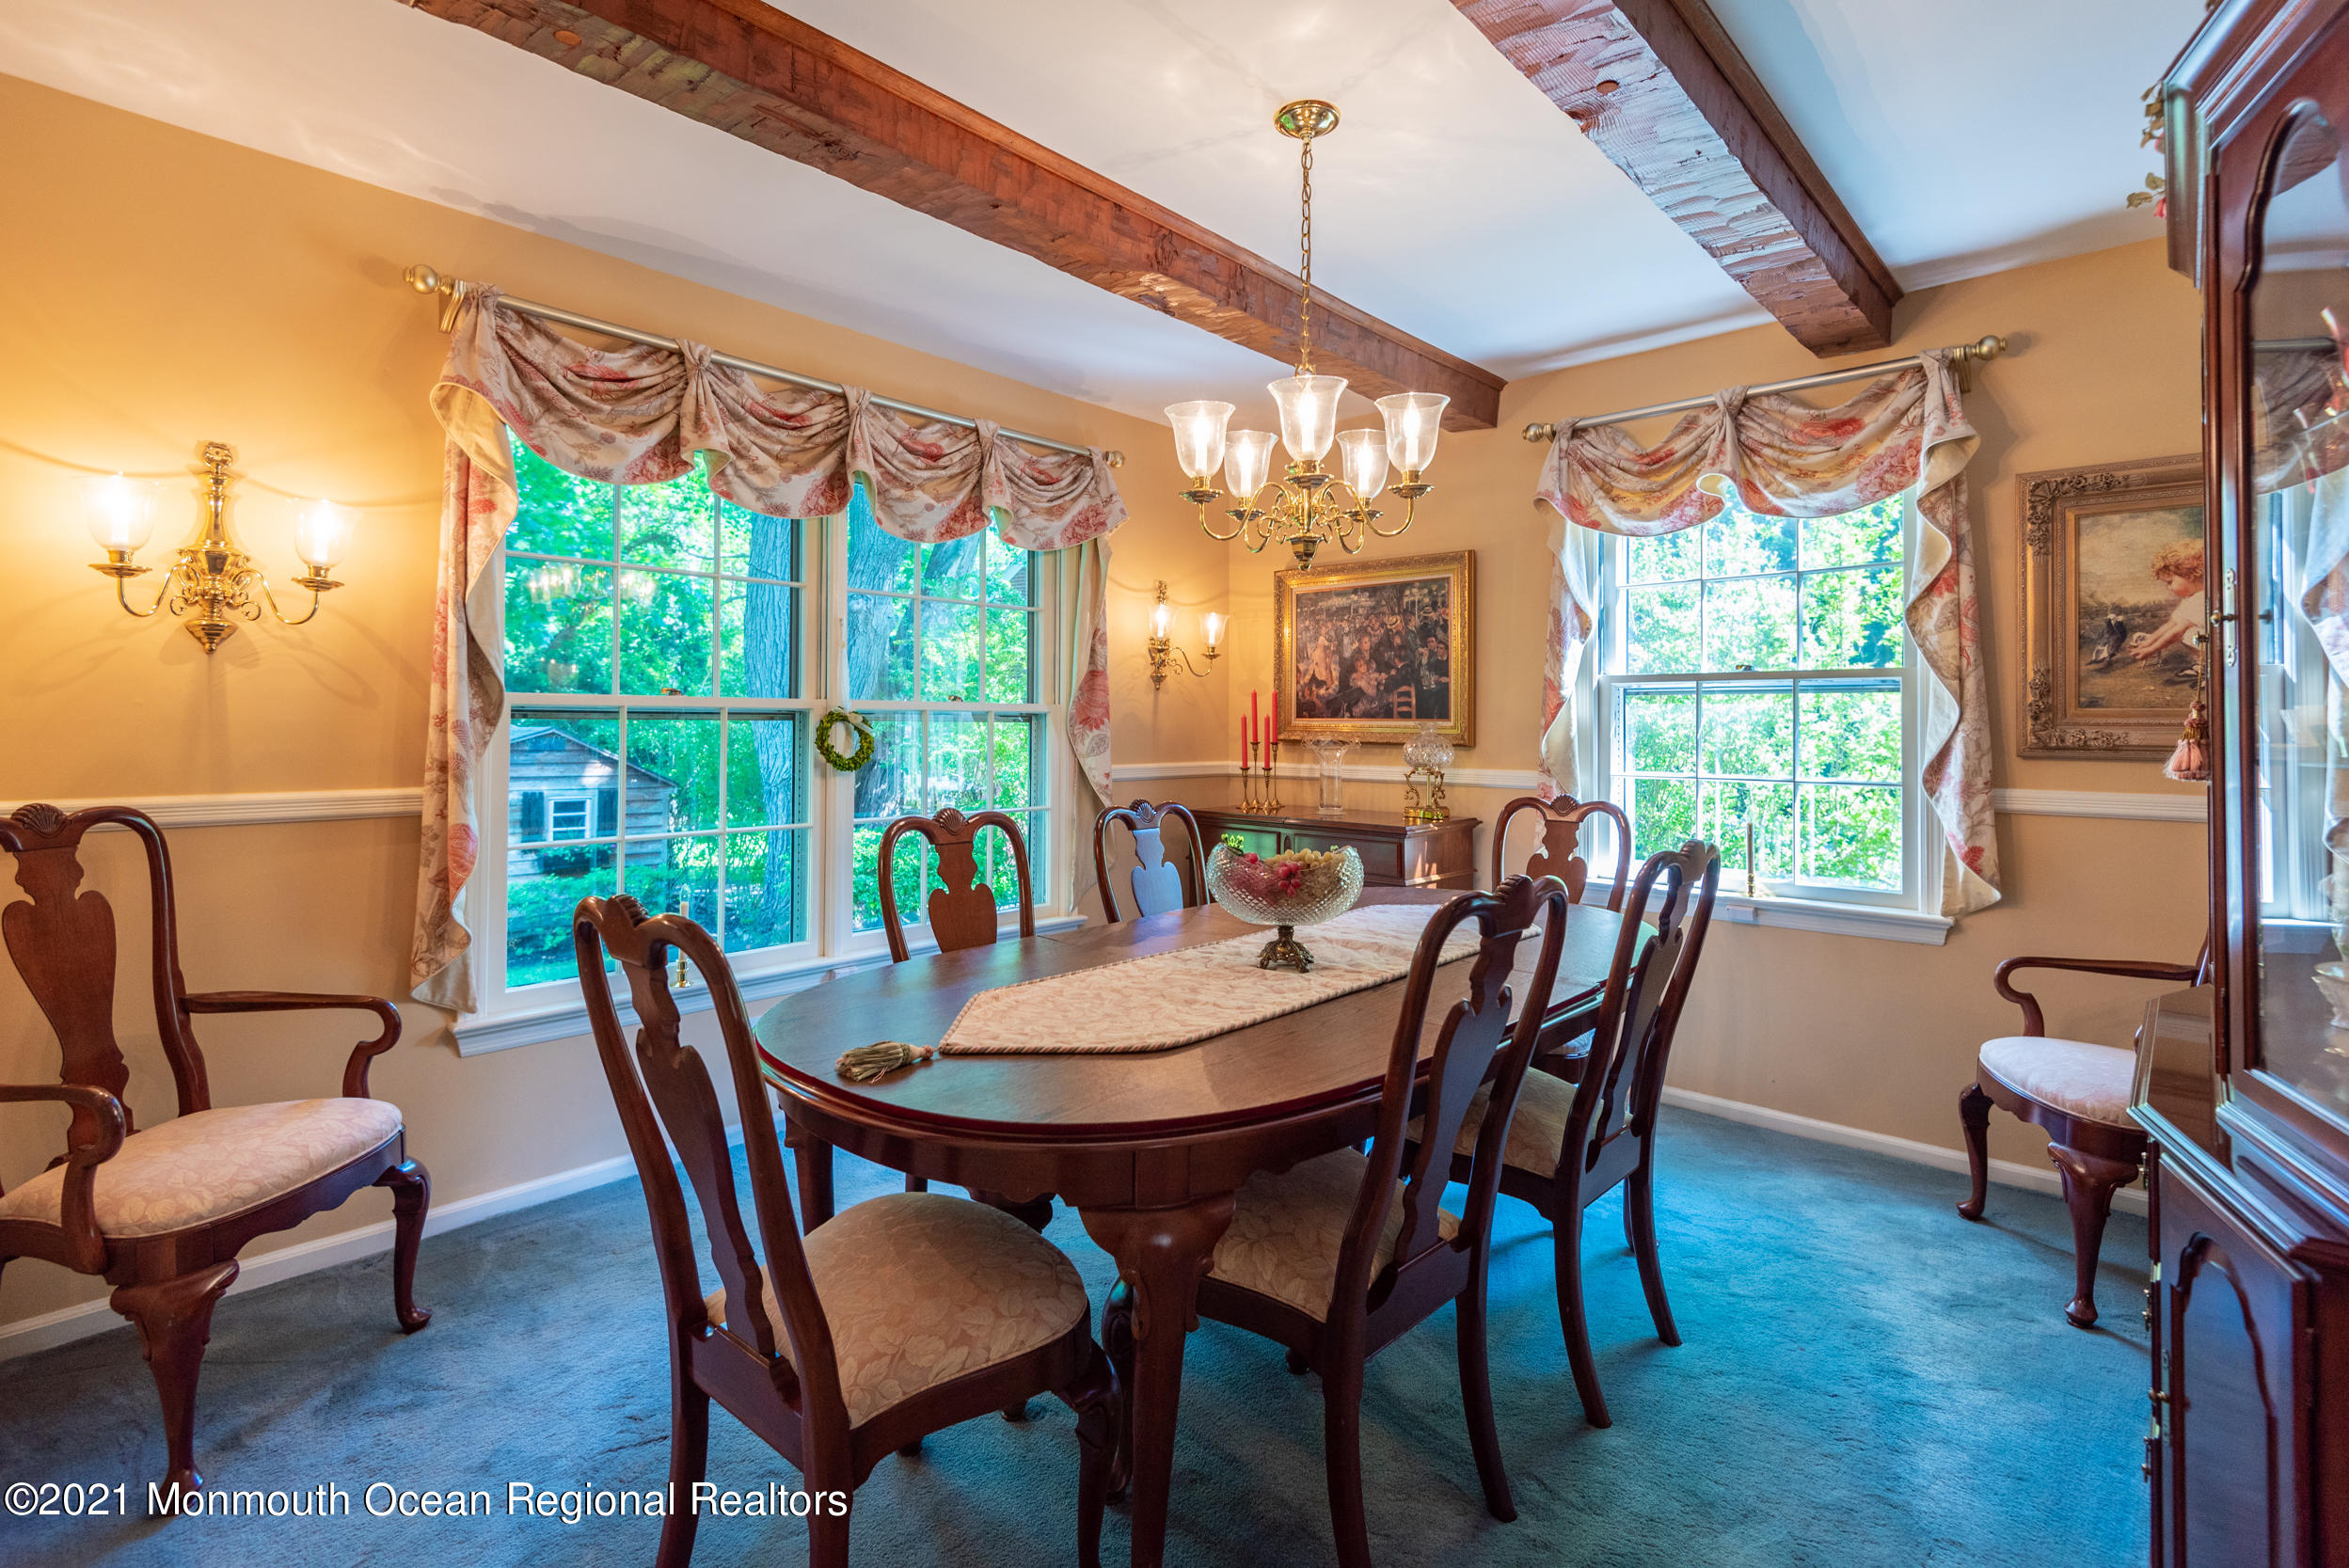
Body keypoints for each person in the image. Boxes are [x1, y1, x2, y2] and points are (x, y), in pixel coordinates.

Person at [2128, 539, 2207, 673]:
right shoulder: (2190, 599)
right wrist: (2149, 641)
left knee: (2188, 634)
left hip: (2219, 644)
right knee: (2190, 635)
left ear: (2190, 575)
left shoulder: (2201, 598)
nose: (2169, 588)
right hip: (2209, 641)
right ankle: (2207, 665)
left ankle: (2210, 667)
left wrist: (2151, 650)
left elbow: (2177, 631)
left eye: (2170, 582)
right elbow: (2172, 623)